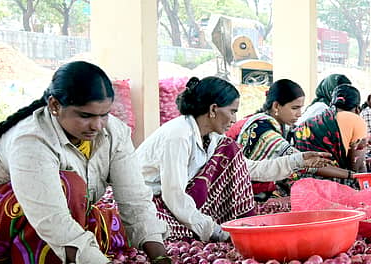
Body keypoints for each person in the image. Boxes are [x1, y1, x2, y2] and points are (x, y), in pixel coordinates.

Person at [0, 61, 174, 264]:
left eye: (104, 115)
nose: (97, 126)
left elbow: (134, 199)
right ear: (54, 105)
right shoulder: (31, 139)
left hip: (39, 219)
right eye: (85, 116)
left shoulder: (113, 132)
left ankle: (47, 259)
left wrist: (160, 258)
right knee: (68, 185)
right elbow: (51, 218)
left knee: (112, 222)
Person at [137, 77, 330, 242]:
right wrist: (216, 232)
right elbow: (174, 196)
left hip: (176, 200)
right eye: (232, 111)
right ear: (213, 109)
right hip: (151, 201)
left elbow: (251, 169)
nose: (234, 118)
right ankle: (221, 228)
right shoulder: (178, 136)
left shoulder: (212, 138)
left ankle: (225, 225)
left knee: (230, 150)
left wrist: (299, 160)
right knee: (162, 229)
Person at [235, 79, 357, 193]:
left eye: (300, 108)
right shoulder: (264, 129)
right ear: (276, 106)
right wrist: (351, 175)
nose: (299, 114)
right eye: (295, 108)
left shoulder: (280, 126)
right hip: (250, 191)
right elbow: (301, 161)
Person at [293, 84, 370, 188]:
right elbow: (356, 166)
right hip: (331, 184)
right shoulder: (356, 120)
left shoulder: (315, 120)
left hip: (299, 181)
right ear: (357, 109)